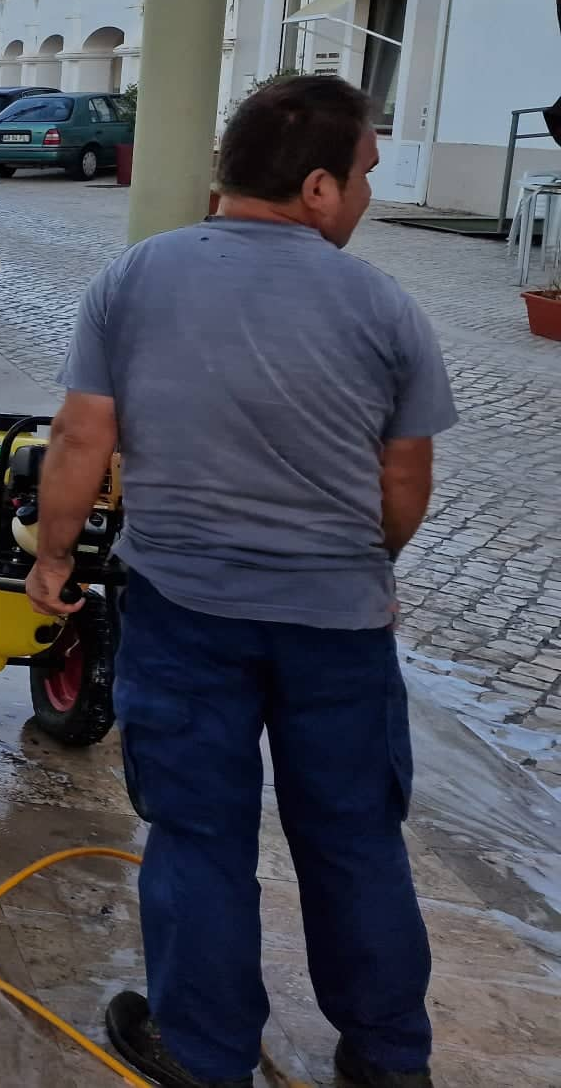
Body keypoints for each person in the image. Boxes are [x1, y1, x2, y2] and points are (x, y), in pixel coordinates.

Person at [26, 75, 456, 1088]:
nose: (363, 200)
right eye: (360, 178)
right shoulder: (384, 305)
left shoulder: (134, 278)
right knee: (354, 839)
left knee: (198, 834)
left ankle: (203, 1049)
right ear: (314, 188)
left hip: (182, 616)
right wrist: (361, 569)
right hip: (337, 630)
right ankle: (389, 1059)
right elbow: (403, 482)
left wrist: (52, 556)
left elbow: (81, 437)